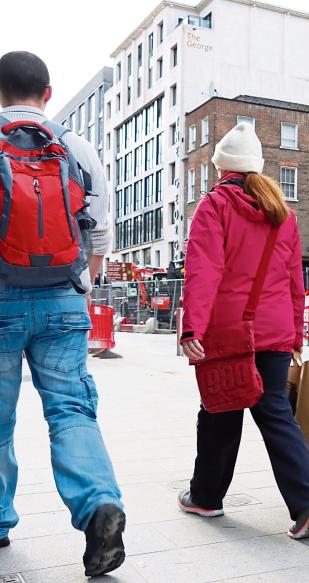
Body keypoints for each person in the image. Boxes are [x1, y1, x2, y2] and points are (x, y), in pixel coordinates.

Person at [0, 52, 125, 576]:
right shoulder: (76, 146)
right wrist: (79, 285)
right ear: (47, 93)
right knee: (72, 410)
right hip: (63, 300)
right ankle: (97, 502)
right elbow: (100, 234)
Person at [179, 123, 309, 539]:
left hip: (228, 332)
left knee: (219, 411)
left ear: (221, 169)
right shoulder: (283, 212)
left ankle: (206, 497)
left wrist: (192, 326)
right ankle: (307, 503)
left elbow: (203, 271)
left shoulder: (215, 205)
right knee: (275, 412)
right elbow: (293, 281)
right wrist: (296, 335)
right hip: (275, 331)